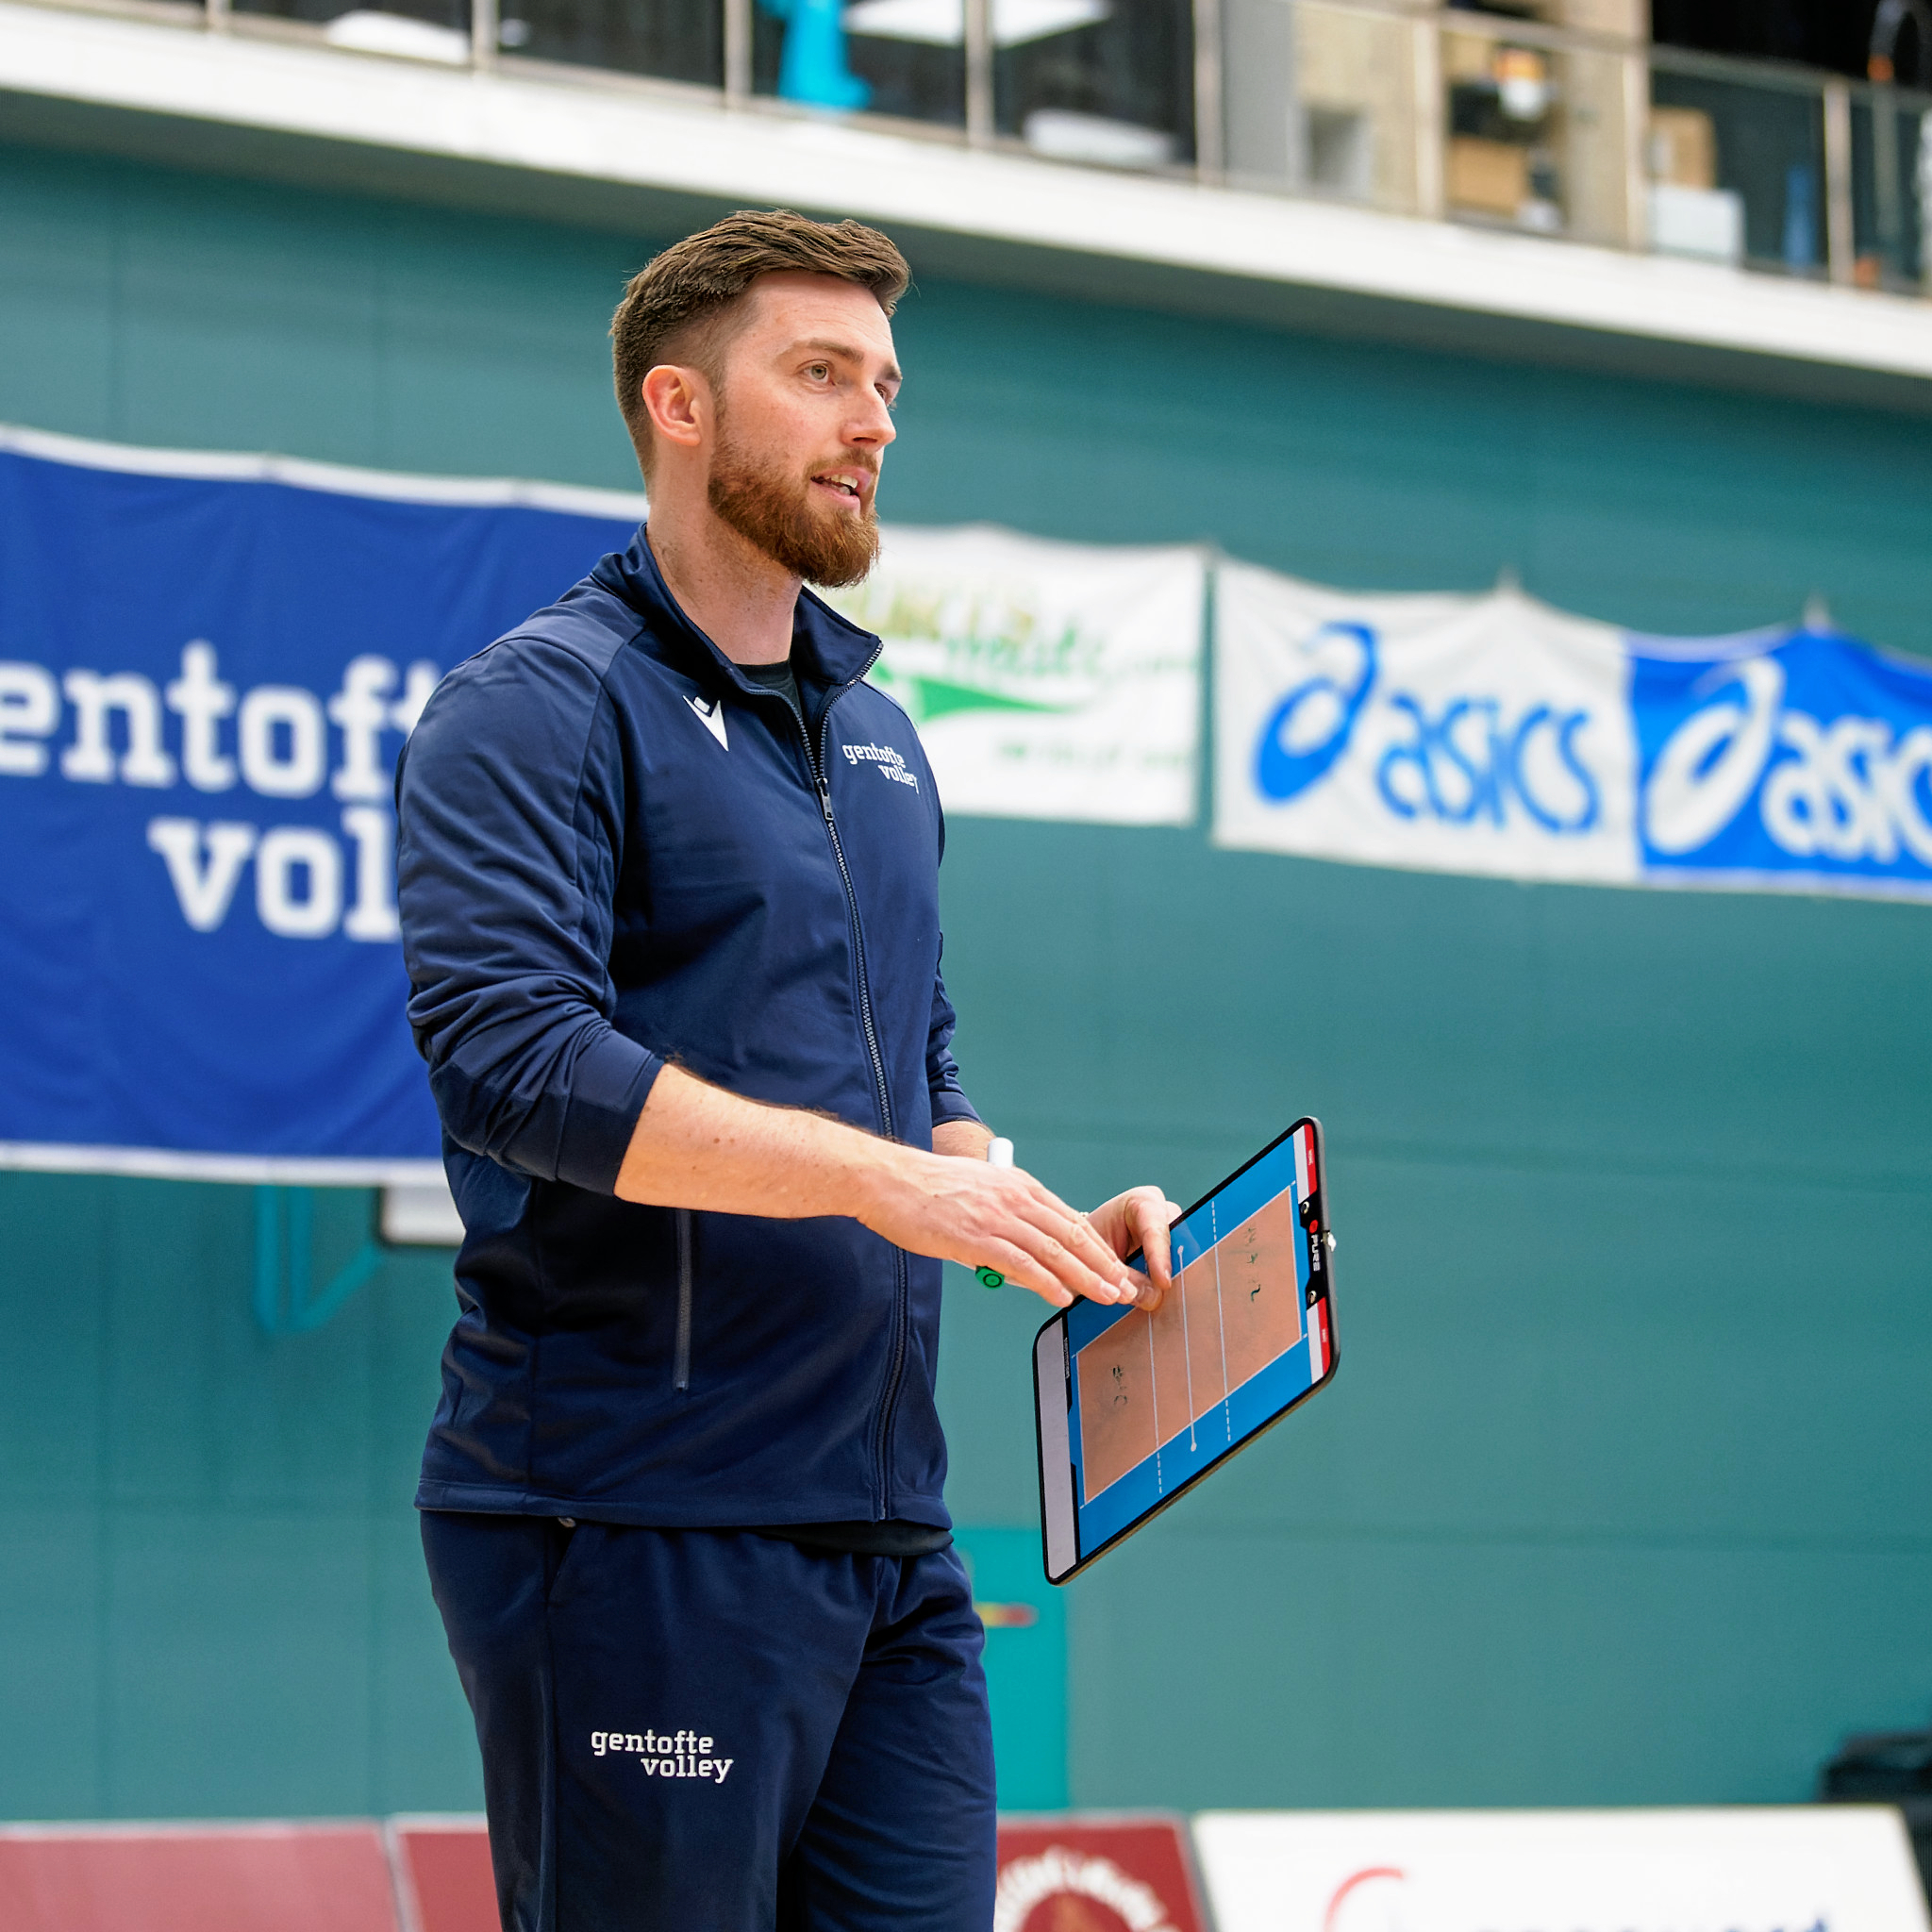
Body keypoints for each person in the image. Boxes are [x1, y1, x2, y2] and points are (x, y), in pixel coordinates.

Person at [394, 208, 1176, 1932]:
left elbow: (919, 1067)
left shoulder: (883, 736)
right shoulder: (533, 708)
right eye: (820, 375)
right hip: (631, 1518)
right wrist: (879, 1176)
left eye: (884, 383)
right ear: (679, 406)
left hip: (891, 1528)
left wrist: (1024, 1217)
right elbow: (515, 1062)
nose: (872, 421)